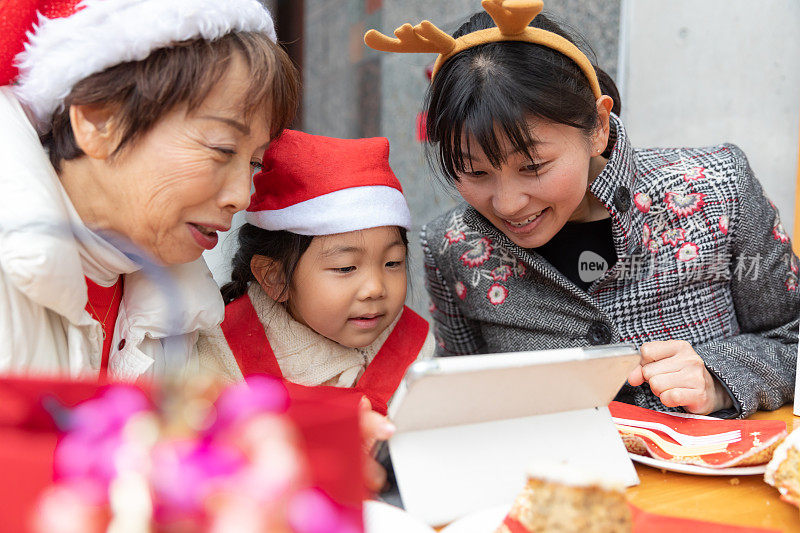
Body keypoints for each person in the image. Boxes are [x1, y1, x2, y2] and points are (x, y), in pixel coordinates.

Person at [364, 0, 799, 418]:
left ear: (596, 127)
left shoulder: (716, 190)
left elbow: (791, 338)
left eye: (533, 166)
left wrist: (719, 377)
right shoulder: (451, 247)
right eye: (474, 173)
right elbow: (460, 396)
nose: (508, 203)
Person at [0, 0, 299, 379]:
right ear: (98, 120)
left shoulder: (182, 301)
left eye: (254, 163)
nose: (241, 196)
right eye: (223, 149)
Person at [196, 129, 435, 490]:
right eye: (345, 268)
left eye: (392, 263)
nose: (375, 289)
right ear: (274, 277)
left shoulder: (415, 348)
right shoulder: (224, 352)